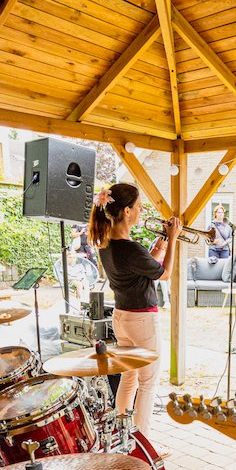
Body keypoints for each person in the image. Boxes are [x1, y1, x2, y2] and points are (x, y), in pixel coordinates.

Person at [92, 183, 181, 439]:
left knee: (128, 378)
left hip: (122, 318)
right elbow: (165, 273)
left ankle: (121, 436)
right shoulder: (130, 249)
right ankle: (143, 444)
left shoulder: (106, 244)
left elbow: (143, 265)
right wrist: (173, 238)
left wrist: (161, 243)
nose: (142, 212)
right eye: (140, 207)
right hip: (142, 319)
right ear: (127, 211)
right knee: (148, 383)